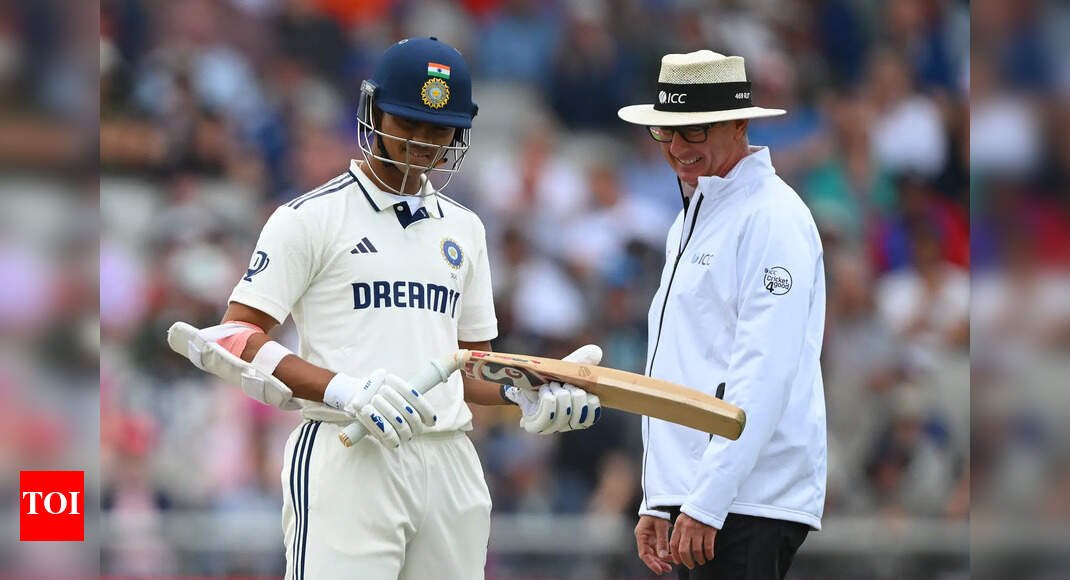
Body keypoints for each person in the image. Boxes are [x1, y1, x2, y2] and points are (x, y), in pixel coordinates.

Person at [167, 37, 602, 580]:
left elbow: (471, 368)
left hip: (450, 462)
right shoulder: (309, 218)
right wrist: (344, 390)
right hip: (350, 449)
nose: (422, 143)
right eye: (408, 123)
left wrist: (528, 390)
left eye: (439, 129)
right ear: (374, 113)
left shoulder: (466, 228)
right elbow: (233, 336)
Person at [617, 50, 828, 579]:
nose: (676, 147)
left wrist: (706, 500)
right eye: (666, 132)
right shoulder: (694, 218)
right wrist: (658, 496)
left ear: (739, 125)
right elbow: (681, 364)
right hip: (707, 498)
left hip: (746, 500)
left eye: (694, 131)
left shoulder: (773, 216)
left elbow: (764, 370)